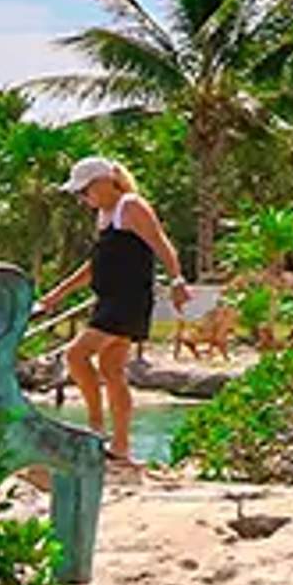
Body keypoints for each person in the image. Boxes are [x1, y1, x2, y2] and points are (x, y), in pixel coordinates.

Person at [58, 155, 181, 466]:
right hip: (109, 298)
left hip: (127, 300)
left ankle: (96, 427)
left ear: (104, 182)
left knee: (76, 355)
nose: (83, 198)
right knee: (112, 370)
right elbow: (95, 265)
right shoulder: (104, 216)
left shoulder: (131, 205)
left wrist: (178, 280)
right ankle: (121, 446)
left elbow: (160, 242)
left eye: (85, 191)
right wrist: (57, 294)